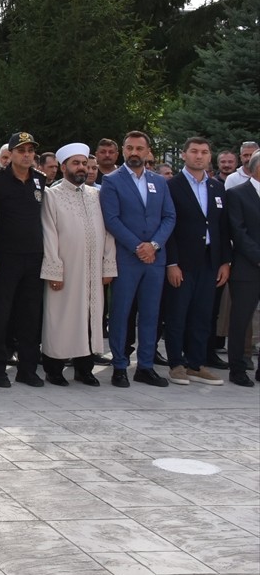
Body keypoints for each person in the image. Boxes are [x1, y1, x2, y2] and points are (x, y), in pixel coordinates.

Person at [100, 131, 176, 388]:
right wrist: (137, 246)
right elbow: (111, 219)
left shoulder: (159, 182)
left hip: (155, 259)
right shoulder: (112, 181)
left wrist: (153, 245)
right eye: (130, 148)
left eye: (139, 149)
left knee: (151, 314)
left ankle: (145, 366)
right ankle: (119, 365)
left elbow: (169, 217)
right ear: (123, 150)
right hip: (127, 258)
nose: (134, 152)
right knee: (120, 313)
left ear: (147, 152)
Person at [40, 144, 116, 386]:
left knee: (91, 318)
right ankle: (54, 369)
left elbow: (108, 233)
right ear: (63, 167)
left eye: (84, 163)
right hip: (65, 271)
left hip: (93, 271)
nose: (82, 168)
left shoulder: (96, 195)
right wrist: (54, 269)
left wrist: (107, 267)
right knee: (61, 318)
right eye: (76, 163)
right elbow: (48, 234)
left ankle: (85, 369)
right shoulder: (52, 195)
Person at [163, 137, 230, 386]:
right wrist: (172, 263)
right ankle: (176, 364)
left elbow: (223, 227)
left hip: (210, 261)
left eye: (204, 152)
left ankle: (196, 364)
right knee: (178, 313)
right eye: (194, 151)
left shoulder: (216, 187)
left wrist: (225, 262)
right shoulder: (171, 186)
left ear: (209, 156)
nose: (199, 156)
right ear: (183, 155)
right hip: (182, 261)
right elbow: (168, 226)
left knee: (203, 315)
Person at [0, 132, 48, 388]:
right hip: (4, 258)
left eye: (30, 150)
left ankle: (27, 368)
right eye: (21, 150)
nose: (26, 155)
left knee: (31, 315)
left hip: (34, 258)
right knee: (1, 315)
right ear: (10, 154)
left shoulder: (40, 180)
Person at [224, 152, 260, 386]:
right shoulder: (237, 194)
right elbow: (238, 231)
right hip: (247, 269)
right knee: (240, 320)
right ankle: (237, 369)